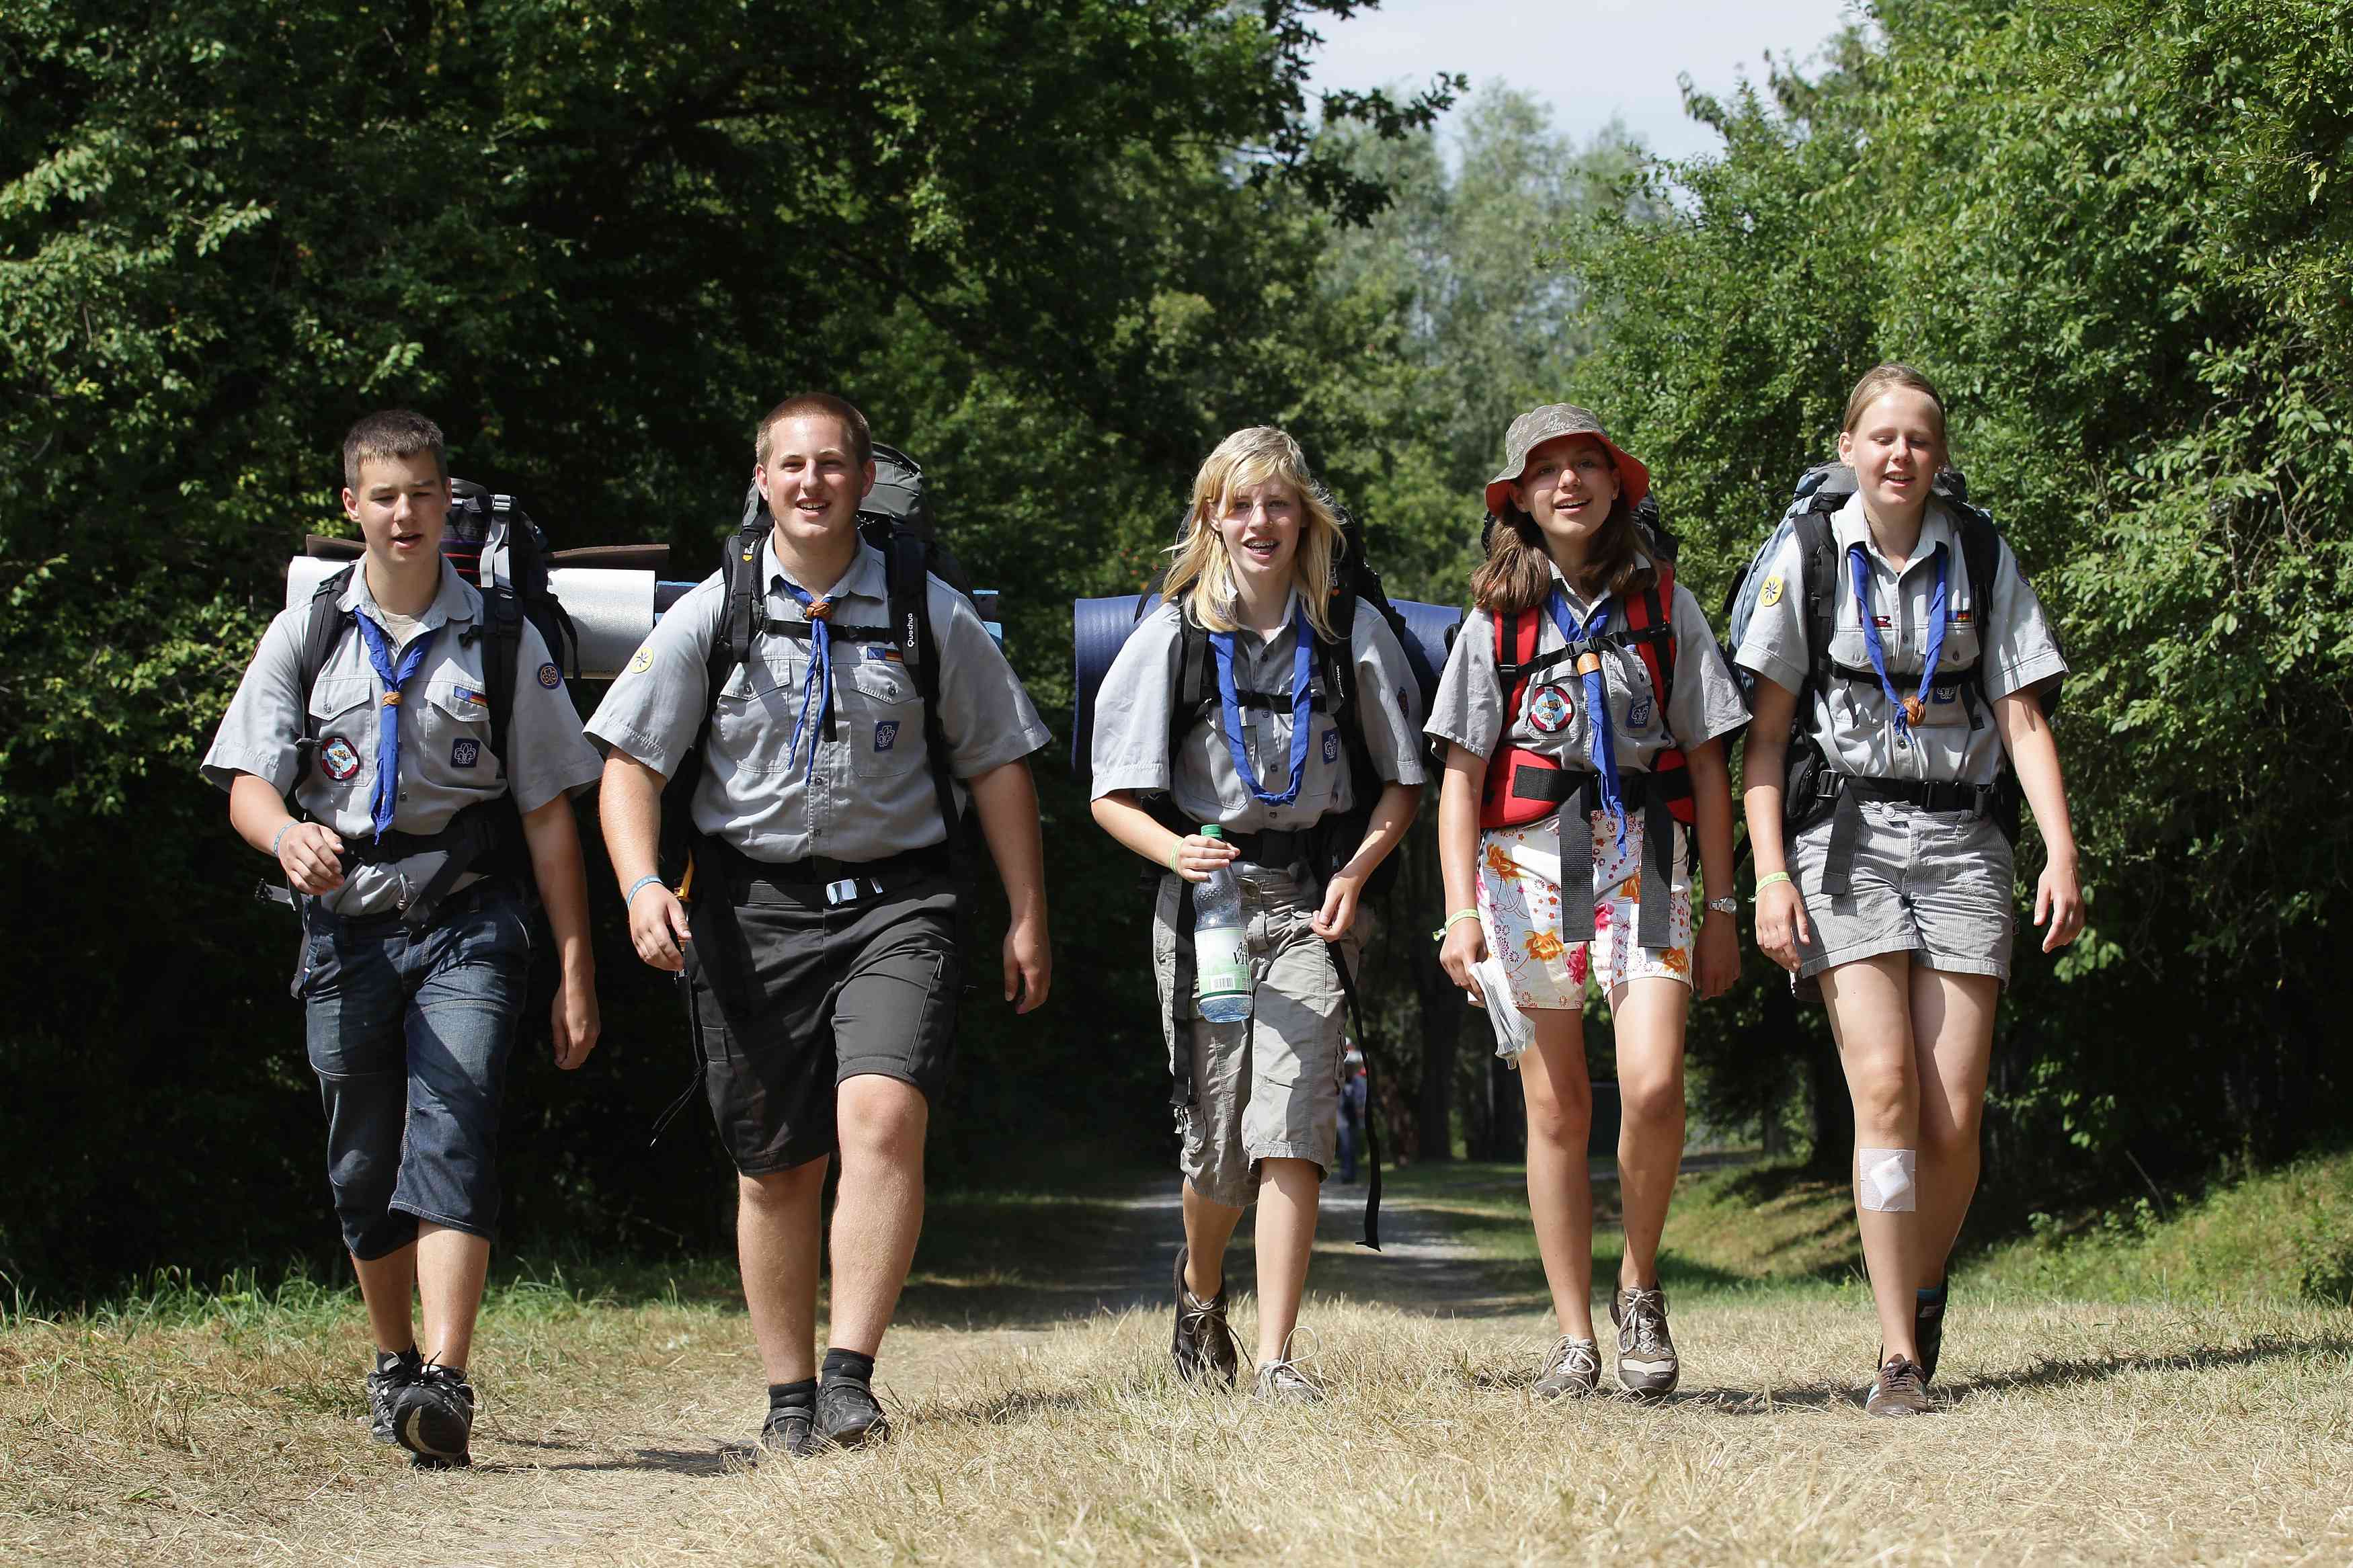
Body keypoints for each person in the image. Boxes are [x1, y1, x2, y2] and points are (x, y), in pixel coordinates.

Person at [589, 392, 1051, 1456]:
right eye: (791, 465)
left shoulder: (929, 611)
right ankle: (788, 1396)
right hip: (751, 913)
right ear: (763, 482)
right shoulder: (716, 610)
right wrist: (639, 885)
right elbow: (629, 768)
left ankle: (850, 1379)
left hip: (901, 903)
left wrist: (1027, 913)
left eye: (832, 464)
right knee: (774, 1166)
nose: (811, 482)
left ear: (861, 480)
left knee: (883, 1120)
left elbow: (997, 765)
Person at [202, 410, 602, 1469]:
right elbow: (247, 779)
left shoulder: (504, 636)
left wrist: (575, 966)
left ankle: (447, 1378)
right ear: (352, 508)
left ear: (445, 503)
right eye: (383, 495)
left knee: (456, 1122)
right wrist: (285, 832)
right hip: (344, 929)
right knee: (359, 1161)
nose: (404, 512)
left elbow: (550, 816)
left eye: (421, 492)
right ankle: (391, 1364)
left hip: (470, 917)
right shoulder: (312, 630)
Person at [1734, 364, 2081, 1416]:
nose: (1899, 455)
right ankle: (1896, 1357)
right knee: (1883, 1090)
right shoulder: (1809, 557)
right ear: (1848, 447)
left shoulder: (1979, 551)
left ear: (1939, 454)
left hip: (1965, 841)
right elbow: (1763, 743)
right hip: (1845, 843)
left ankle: (1921, 1285)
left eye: (1918, 440)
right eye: (1880, 436)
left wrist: (2062, 852)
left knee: (1953, 1117)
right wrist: (1766, 878)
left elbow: (2024, 718)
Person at [1089, 426, 1425, 1403]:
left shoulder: (1345, 632)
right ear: (1211, 519)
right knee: (1220, 1144)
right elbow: (1111, 796)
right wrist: (1175, 851)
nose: (1260, 522)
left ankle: (1277, 1356)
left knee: (1296, 1125)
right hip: (1210, 909)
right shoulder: (1174, 638)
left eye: (1279, 503)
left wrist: (1357, 876)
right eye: (1240, 505)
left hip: (1313, 905)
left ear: (1305, 519)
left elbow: (1404, 784)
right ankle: (1201, 1293)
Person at [1429, 405, 1746, 1401]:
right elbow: (1458, 774)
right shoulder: (1494, 623)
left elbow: (1707, 754)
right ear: (1519, 498)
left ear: (1617, 486)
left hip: (1645, 855)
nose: (1569, 483)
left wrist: (1728, 903)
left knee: (1651, 1084)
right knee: (1557, 1107)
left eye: (1587, 466)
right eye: (1547, 471)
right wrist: (1458, 913)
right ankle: (1573, 1335)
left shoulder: (1665, 605)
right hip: (1523, 868)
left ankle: (1640, 1283)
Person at [1336, 1048, 1368, 1184]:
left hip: (1355, 1119)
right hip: (1342, 1119)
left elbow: (1364, 1099)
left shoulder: (1359, 1082)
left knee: (1353, 1147)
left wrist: (1361, 1108)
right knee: (1345, 1147)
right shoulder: (1338, 1081)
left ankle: (1353, 1174)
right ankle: (1346, 1174)